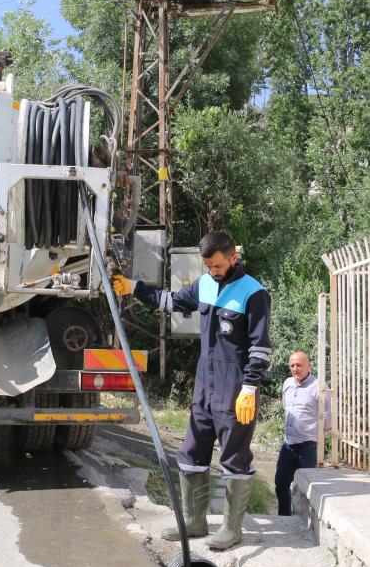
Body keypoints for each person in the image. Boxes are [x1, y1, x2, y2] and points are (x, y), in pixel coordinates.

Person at [112, 231, 271, 550]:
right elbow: (172, 301)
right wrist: (134, 288)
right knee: (191, 452)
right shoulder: (206, 284)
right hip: (205, 384)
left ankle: (231, 529)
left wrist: (250, 387)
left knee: (235, 456)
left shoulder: (253, 293)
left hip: (234, 387)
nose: (212, 270)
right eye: (208, 265)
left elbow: (260, 346)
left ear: (233, 258)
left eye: (217, 265)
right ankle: (194, 522)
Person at [274, 351, 330, 516]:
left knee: (306, 487)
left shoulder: (318, 387)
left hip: (308, 446)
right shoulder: (287, 383)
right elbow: (287, 408)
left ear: (309, 366)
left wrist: (323, 434)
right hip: (289, 444)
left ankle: (304, 520)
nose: (295, 368)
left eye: (299, 365)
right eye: (292, 365)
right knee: (281, 484)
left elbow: (327, 414)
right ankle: (284, 518)